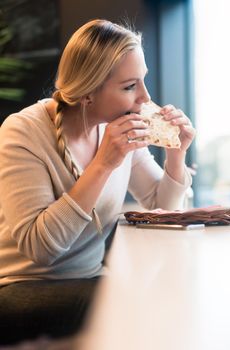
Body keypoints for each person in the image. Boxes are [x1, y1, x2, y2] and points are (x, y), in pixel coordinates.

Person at [0, 18, 195, 343]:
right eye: (130, 86)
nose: (145, 98)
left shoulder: (117, 128)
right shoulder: (22, 132)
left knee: (159, 291)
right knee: (126, 298)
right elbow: (41, 249)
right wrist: (103, 164)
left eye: (143, 82)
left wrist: (177, 153)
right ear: (88, 92)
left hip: (90, 279)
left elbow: (161, 207)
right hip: (19, 287)